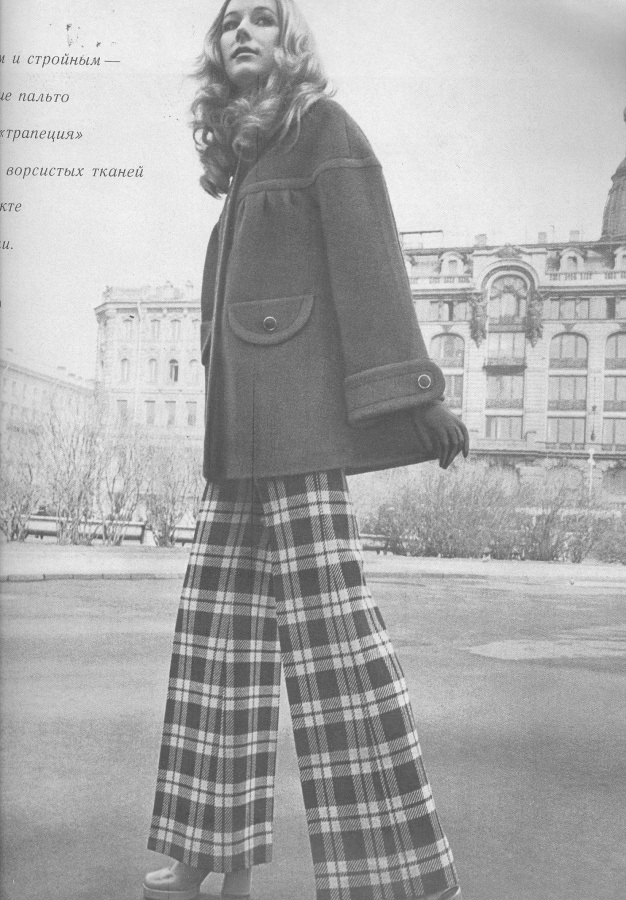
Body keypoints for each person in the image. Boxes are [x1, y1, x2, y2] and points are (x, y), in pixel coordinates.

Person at [144, 2, 469, 899]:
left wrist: (419, 393)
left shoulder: (323, 128)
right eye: (229, 23)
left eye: (263, 17)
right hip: (236, 441)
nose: (242, 31)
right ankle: (211, 851)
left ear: (289, 43)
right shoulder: (250, 157)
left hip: (299, 433)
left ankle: (401, 874)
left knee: (336, 653)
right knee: (216, 648)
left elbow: (371, 263)